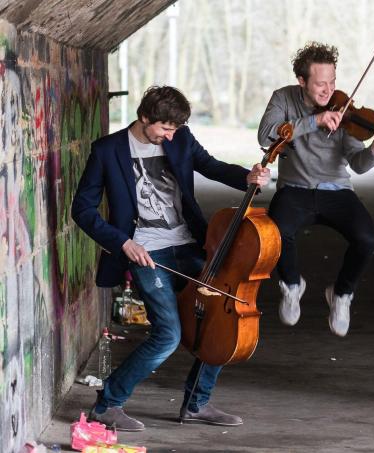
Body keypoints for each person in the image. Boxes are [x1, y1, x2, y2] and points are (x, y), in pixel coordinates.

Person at [72, 86, 270, 431]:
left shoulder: (179, 137)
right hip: (147, 252)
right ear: (145, 117)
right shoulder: (107, 151)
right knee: (168, 335)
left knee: (222, 320)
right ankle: (107, 404)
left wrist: (247, 178)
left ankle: (196, 404)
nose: (170, 136)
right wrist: (123, 244)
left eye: (175, 130)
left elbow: (209, 165)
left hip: (188, 243)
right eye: (165, 129)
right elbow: (82, 209)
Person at [257, 42, 374, 336]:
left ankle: (342, 294)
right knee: (276, 231)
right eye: (320, 84)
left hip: (337, 189)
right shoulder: (283, 98)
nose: (328, 91)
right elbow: (266, 134)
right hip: (295, 188)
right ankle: (293, 285)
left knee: (367, 239)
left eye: (332, 82)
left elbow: (358, 164)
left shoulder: (344, 109)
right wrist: (314, 121)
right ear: (302, 81)